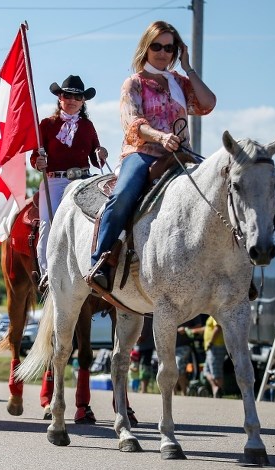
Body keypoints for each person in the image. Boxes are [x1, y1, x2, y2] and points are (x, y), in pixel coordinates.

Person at [88, 21, 216, 291]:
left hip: (182, 155)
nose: (162, 52)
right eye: (156, 46)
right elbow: (133, 124)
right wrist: (161, 136)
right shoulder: (134, 83)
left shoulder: (180, 82)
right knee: (123, 196)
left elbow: (207, 104)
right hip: (143, 153)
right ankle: (101, 261)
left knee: (220, 186)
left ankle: (222, 265)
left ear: (175, 52)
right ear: (146, 47)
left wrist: (188, 67)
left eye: (169, 47)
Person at [30, 75, 107, 281]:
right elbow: (35, 156)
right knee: (48, 223)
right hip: (54, 181)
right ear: (59, 98)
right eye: (67, 95)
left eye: (77, 97)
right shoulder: (47, 125)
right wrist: (39, 161)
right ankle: (47, 273)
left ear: (83, 101)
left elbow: (95, 159)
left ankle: (91, 267)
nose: (72, 100)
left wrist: (101, 154)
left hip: (82, 180)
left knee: (95, 219)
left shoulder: (87, 127)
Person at [175, 314, 206, 394]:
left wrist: (186, 329)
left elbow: (199, 327)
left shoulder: (193, 311)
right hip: (170, 346)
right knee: (170, 369)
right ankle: (173, 394)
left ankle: (184, 393)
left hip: (185, 346)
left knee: (179, 367)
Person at [202, 315, 226, 398]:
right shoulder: (211, 316)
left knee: (216, 372)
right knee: (206, 371)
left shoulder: (216, 315)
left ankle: (219, 393)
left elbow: (218, 328)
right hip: (212, 348)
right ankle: (215, 389)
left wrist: (211, 342)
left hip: (216, 346)